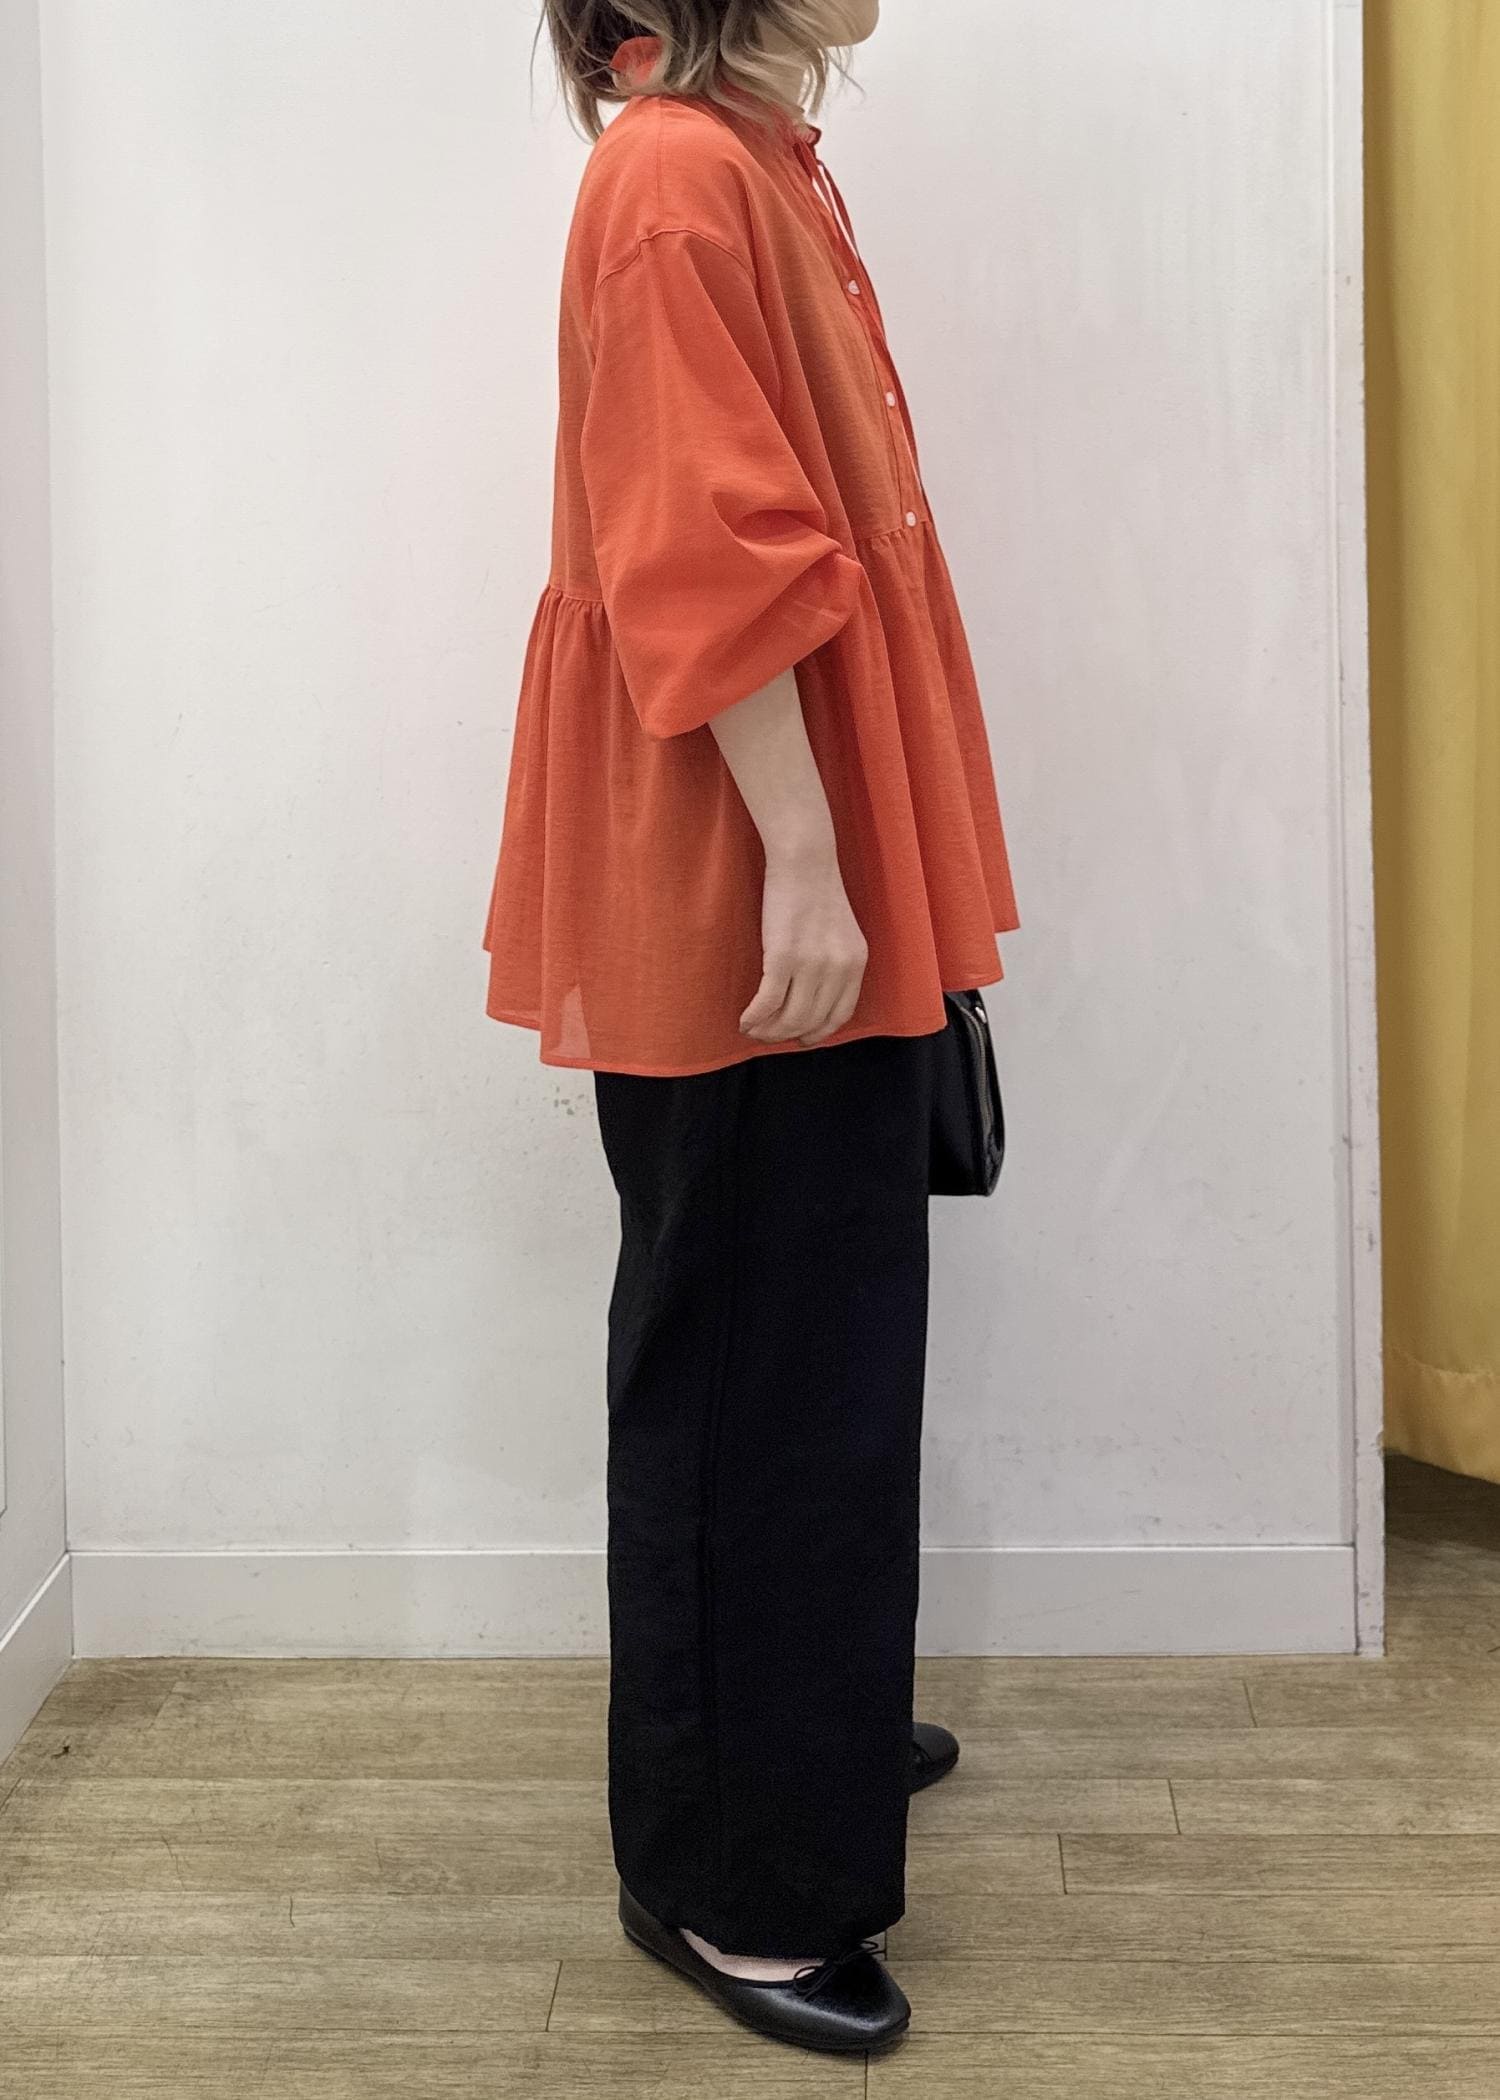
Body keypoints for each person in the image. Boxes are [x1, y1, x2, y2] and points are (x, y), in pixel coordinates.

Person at [482, 0, 1020, 2055]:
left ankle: (799, 1729)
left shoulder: (743, 156)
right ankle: (733, 1872)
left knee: (826, 1319)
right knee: (756, 1357)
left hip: (796, 828)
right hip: (738, 862)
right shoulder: (674, 179)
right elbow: (697, 554)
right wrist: (804, 857)